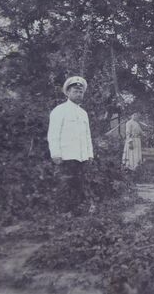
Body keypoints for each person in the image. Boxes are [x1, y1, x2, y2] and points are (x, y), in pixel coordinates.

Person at [47, 76, 94, 215]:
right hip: (66, 156)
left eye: (81, 92)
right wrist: (55, 154)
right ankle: (61, 215)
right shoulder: (59, 110)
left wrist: (89, 154)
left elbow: (87, 136)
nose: (79, 94)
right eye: (75, 91)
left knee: (79, 186)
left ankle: (75, 214)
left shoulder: (83, 113)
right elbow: (53, 134)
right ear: (67, 93)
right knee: (64, 185)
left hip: (81, 157)